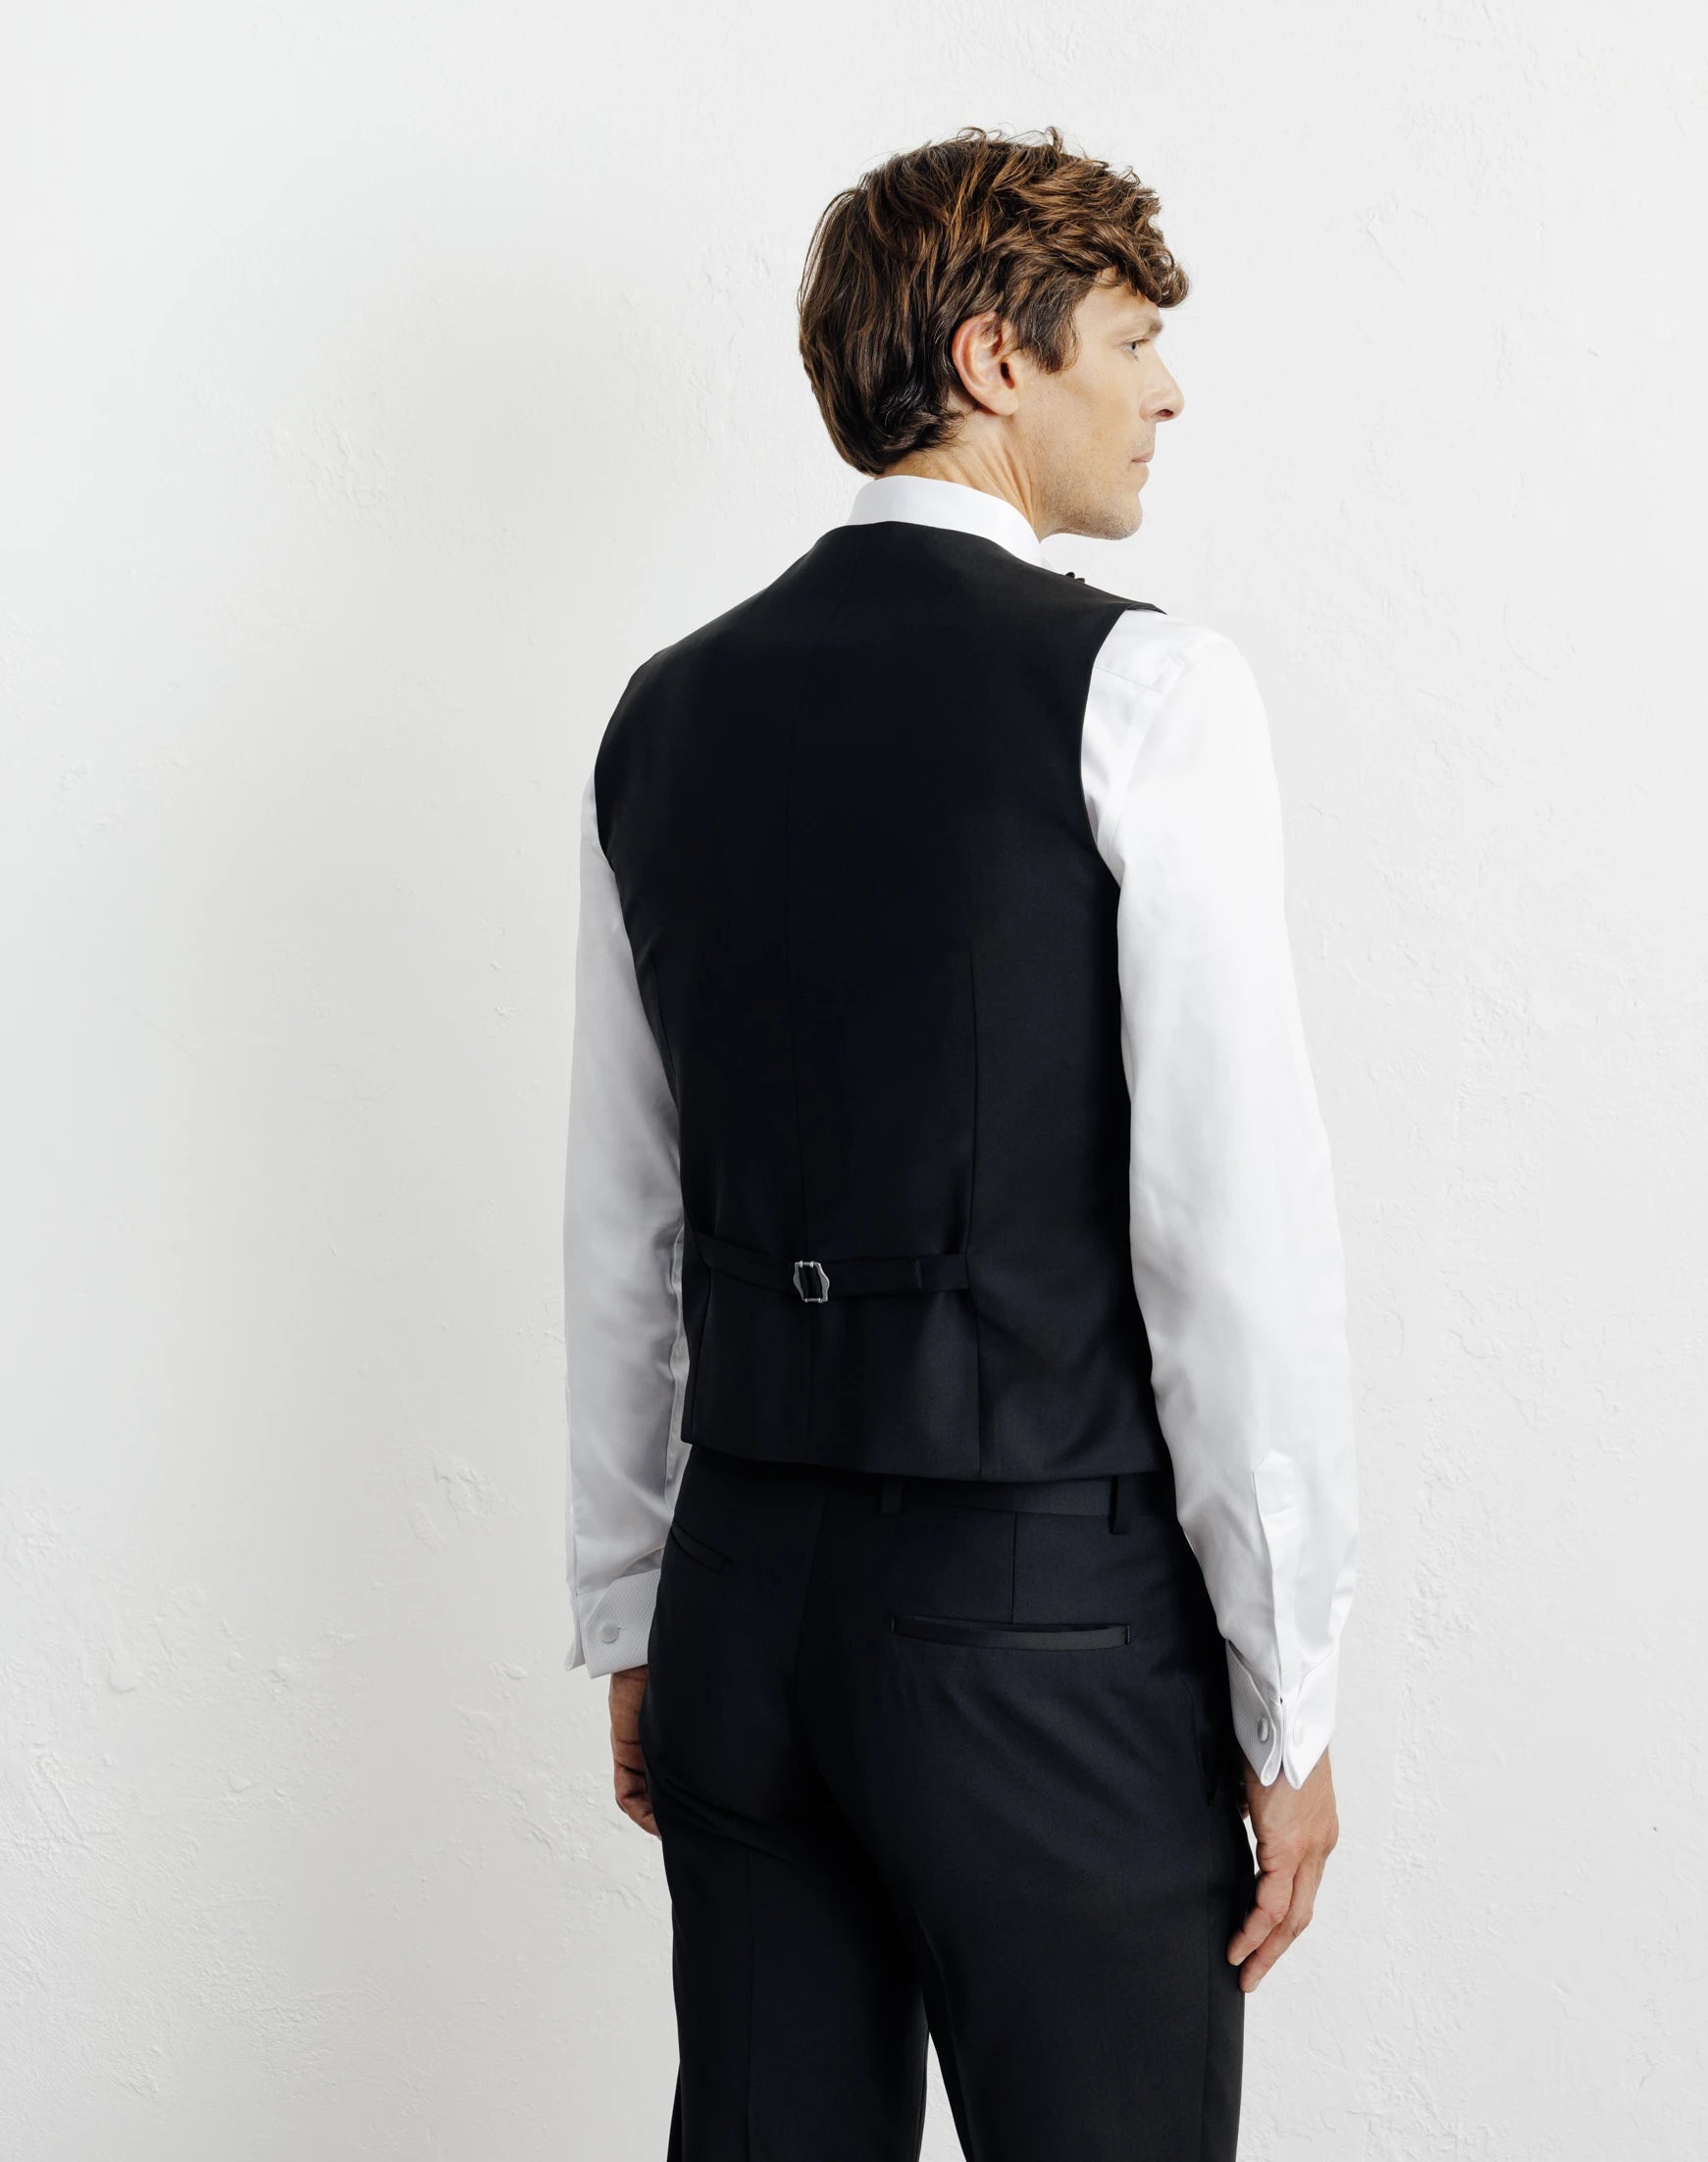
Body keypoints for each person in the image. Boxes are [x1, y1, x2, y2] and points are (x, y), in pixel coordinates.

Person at [560, 123, 1359, 2162]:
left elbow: (624, 1215)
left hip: (744, 1610)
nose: (1166, 392)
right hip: (1037, 1629)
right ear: (999, 359)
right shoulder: (1148, 689)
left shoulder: (664, 713)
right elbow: (1231, 1238)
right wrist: (1291, 1697)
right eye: (1131, 340)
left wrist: (637, 1610)